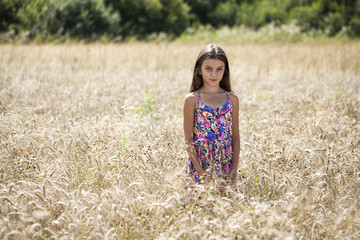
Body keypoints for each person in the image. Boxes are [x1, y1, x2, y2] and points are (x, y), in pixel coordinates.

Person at [183, 44, 240, 194]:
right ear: (199, 70)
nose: (214, 74)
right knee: (198, 210)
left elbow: (235, 136)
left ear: (225, 71)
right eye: (208, 68)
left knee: (225, 210)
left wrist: (234, 167)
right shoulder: (193, 99)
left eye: (219, 69)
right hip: (200, 165)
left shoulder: (232, 99)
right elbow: (188, 139)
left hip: (225, 164)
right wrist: (200, 171)